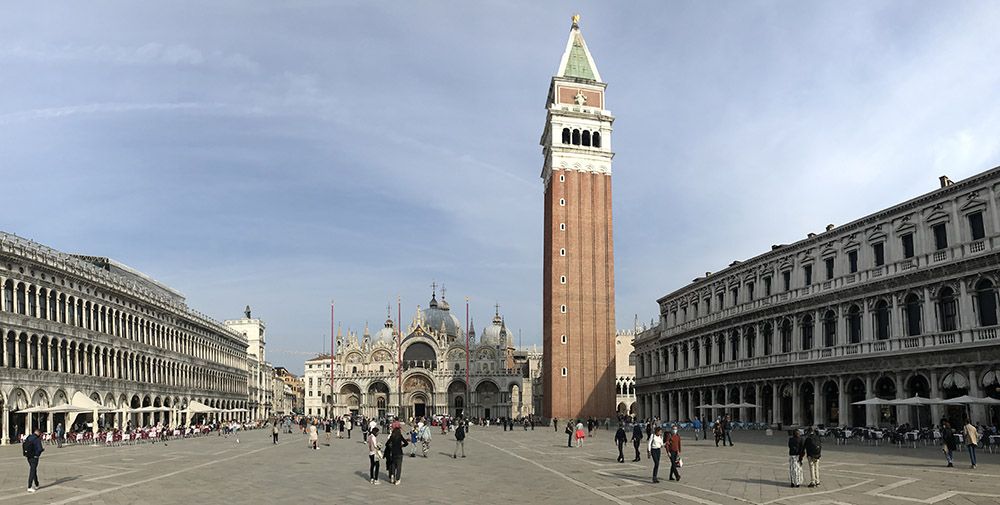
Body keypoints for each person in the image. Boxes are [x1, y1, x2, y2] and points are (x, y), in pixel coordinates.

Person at [23, 428, 44, 493]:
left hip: (28, 456)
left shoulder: (29, 437)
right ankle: (29, 486)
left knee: (33, 469)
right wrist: (38, 453)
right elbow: (39, 449)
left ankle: (37, 484)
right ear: (39, 433)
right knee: (32, 470)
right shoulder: (37, 439)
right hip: (34, 457)